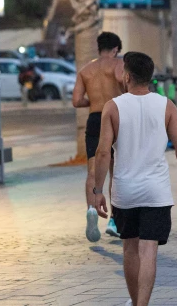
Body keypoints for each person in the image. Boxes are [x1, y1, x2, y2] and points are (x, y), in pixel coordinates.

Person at [92, 52, 177, 306]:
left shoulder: (113, 107)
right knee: (149, 252)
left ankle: (135, 300)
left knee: (130, 249)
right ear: (150, 77)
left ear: (126, 76)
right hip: (156, 192)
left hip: (125, 192)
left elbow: (103, 152)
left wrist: (98, 189)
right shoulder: (166, 105)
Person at [73, 31, 126, 240]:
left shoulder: (85, 70)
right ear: (115, 49)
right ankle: (114, 218)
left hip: (95, 118)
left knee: (93, 171)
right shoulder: (118, 64)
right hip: (116, 117)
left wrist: (94, 102)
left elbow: (76, 101)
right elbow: (124, 83)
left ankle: (91, 211)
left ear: (99, 48)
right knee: (117, 170)